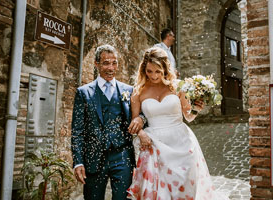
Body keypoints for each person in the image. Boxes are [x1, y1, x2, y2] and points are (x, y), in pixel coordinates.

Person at [127, 47, 229, 200]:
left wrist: (195, 110)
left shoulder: (178, 86)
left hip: (181, 142)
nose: (153, 76)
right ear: (144, 69)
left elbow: (188, 116)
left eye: (158, 71)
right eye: (149, 71)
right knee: (159, 192)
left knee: (185, 187)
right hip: (154, 144)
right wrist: (141, 134)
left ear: (165, 69)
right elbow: (135, 121)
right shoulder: (138, 91)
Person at [71, 44, 145, 200]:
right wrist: (78, 162)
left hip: (122, 157)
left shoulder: (129, 91)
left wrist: (140, 118)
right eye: (106, 63)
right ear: (96, 64)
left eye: (114, 62)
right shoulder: (83, 93)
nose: (111, 67)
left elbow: (144, 115)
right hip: (93, 158)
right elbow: (77, 130)